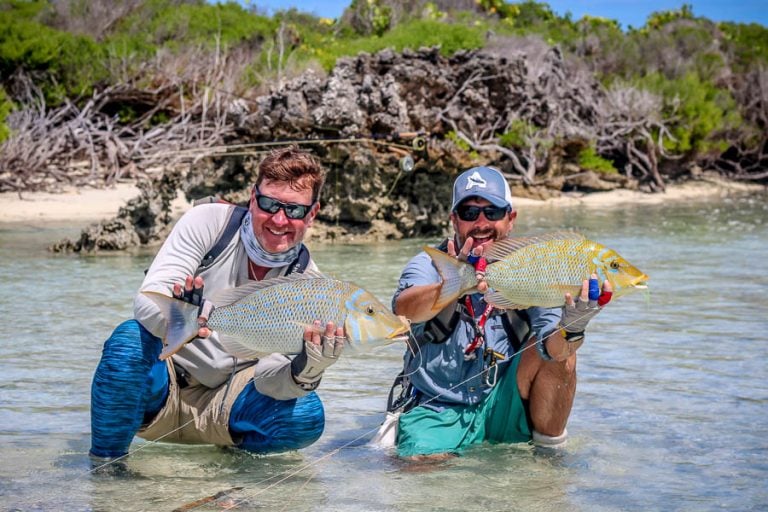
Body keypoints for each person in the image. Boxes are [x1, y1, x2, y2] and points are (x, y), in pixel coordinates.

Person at [89, 147, 345, 463]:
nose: (279, 219)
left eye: (293, 210)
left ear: (313, 213)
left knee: (307, 415)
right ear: (253, 199)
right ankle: (105, 470)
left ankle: (227, 467)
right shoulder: (209, 223)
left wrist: (306, 369)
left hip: (228, 404)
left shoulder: (308, 283)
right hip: (160, 387)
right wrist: (182, 315)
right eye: (268, 204)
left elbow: (267, 377)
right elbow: (146, 301)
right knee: (128, 341)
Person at [385, 166, 611, 460]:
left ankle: (548, 462)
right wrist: (456, 284)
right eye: (469, 213)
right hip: (436, 407)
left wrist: (575, 325)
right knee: (422, 482)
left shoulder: (534, 268)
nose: (481, 223)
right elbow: (404, 309)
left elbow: (555, 350)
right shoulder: (429, 264)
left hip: (505, 401)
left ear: (511, 219)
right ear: (454, 219)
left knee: (565, 352)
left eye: (492, 212)